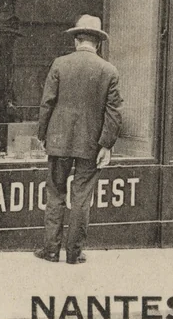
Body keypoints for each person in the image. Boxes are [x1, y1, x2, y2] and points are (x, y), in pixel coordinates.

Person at [34, 14, 123, 265]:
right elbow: (114, 112)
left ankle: (51, 250)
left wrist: (43, 134)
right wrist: (106, 144)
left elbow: (47, 103)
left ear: (76, 39)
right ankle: (74, 253)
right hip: (91, 144)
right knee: (82, 197)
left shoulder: (59, 64)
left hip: (59, 140)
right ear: (98, 43)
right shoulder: (109, 71)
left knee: (56, 194)